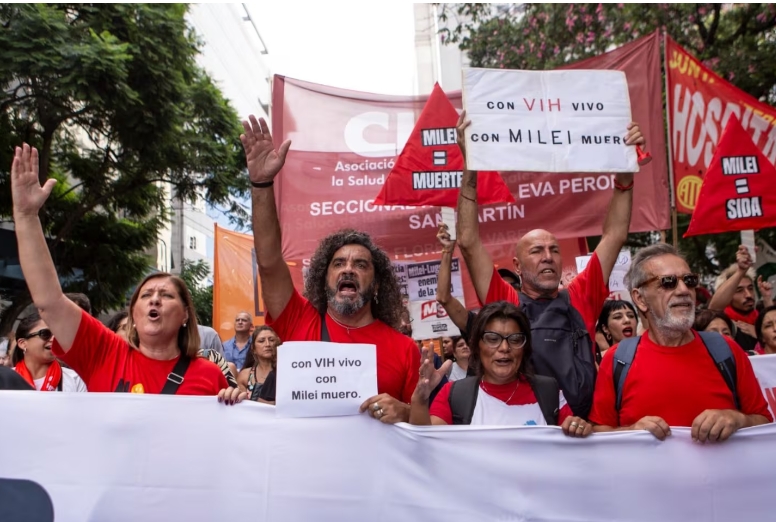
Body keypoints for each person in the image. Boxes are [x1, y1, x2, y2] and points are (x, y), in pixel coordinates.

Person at [454, 111, 646, 419]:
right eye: (537, 250)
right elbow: (467, 240)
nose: (548, 256)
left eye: (554, 250)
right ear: (517, 265)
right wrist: (470, 167)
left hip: (584, 429)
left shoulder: (581, 295)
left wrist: (625, 179)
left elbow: (615, 234)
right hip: (529, 429)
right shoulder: (505, 302)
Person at [10, 144, 233, 399]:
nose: (155, 299)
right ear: (134, 313)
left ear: (185, 315)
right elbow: (49, 301)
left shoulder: (209, 375)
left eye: (167, 295)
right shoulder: (103, 351)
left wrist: (233, 403)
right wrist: (26, 216)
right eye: (146, 294)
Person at [240, 115, 426, 422]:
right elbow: (270, 262)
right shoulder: (299, 321)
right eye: (338, 263)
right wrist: (261, 183)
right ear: (324, 279)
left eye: (361, 264)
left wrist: (405, 412)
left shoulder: (405, 350)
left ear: (377, 284)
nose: (348, 269)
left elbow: (423, 433)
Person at [590, 243, 772, 442]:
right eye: (668, 282)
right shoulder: (618, 360)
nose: (684, 290)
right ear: (640, 299)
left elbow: (765, 422)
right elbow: (600, 434)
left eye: (689, 280)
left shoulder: (725, 349)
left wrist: (737, 420)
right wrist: (631, 431)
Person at [408, 301, 589, 435]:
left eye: (515, 339)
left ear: (525, 347)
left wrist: (579, 429)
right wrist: (420, 398)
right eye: (493, 339)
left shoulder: (549, 393)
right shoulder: (454, 395)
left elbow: (572, 448)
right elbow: (426, 446)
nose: (504, 348)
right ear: (477, 346)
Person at [708, 245, 774, 352]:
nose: (748, 295)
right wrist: (741, 271)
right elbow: (713, 309)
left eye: (750, 288)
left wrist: (767, 298)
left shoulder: (759, 317)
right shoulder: (724, 323)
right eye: (739, 290)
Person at [12, 312, 87, 392]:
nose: (54, 339)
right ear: (22, 343)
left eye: (58, 335)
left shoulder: (75, 379)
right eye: (45, 334)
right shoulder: (5, 380)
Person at [237, 325, 278, 402]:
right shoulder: (245, 376)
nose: (267, 344)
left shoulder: (286, 372)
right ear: (253, 349)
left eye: (272, 340)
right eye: (261, 341)